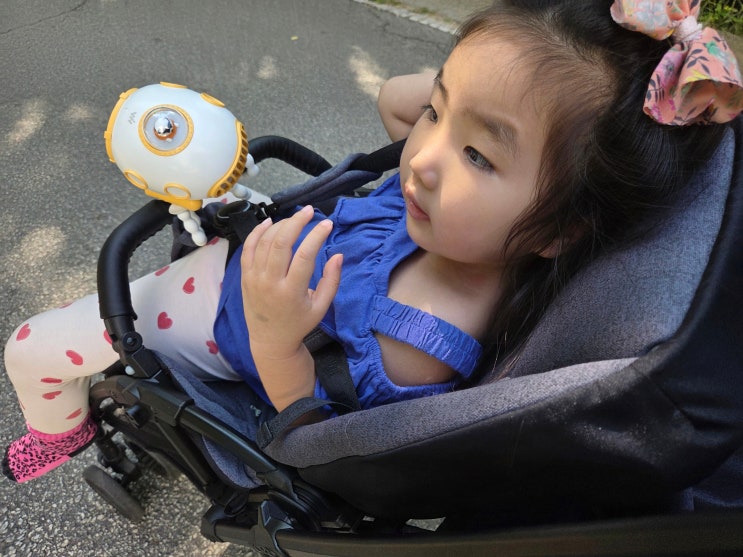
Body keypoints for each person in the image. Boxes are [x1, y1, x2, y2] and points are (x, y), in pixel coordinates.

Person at [3, 0, 741, 484]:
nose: (421, 158)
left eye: (478, 154)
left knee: (31, 346)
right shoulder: (451, 218)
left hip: (225, 318)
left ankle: (59, 430)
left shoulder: (417, 340)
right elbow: (394, 99)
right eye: (438, 111)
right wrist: (472, 95)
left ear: (554, 231)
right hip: (257, 258)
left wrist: (274, 334)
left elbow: (312, 428)